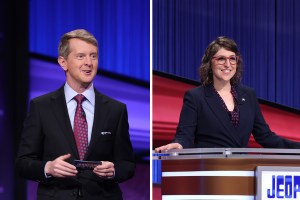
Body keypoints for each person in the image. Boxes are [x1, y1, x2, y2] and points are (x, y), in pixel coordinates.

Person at [16, 29, 135, 200]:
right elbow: (22, 162)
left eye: (93, 56)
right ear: (63, 62)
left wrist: (114, 170)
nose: (89, 62)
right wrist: (48, 168)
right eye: (81, 56)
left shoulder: (116, 109)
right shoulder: (41, 107)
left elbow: (128, 165)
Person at [155, 36, 300, 152]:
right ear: (209, 64)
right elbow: (184, 135)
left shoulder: (248, 95)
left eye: (232, 59)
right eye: (221, 59)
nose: (228, 64)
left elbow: (265, 137)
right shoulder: (195, 97)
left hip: (242, 173)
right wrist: (178, 144)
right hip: (210, 171)